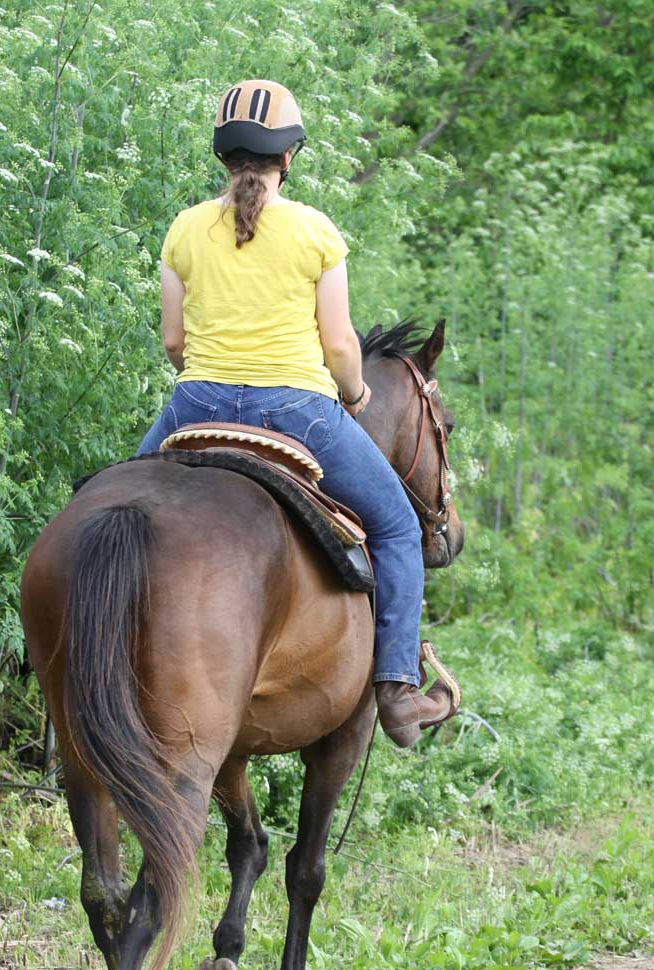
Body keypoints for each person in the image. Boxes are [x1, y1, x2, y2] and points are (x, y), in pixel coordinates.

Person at [137, 79, 453, 747]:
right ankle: (397, 694)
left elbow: (173, 342)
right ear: (288, 158)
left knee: (118, 507)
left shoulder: (185, 229)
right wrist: (357, 394)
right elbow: (341, 345)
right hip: (298, 411)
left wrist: (210, 382)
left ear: (224, 157)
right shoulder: (314, 231)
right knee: (397, 527)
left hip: (196, 402)